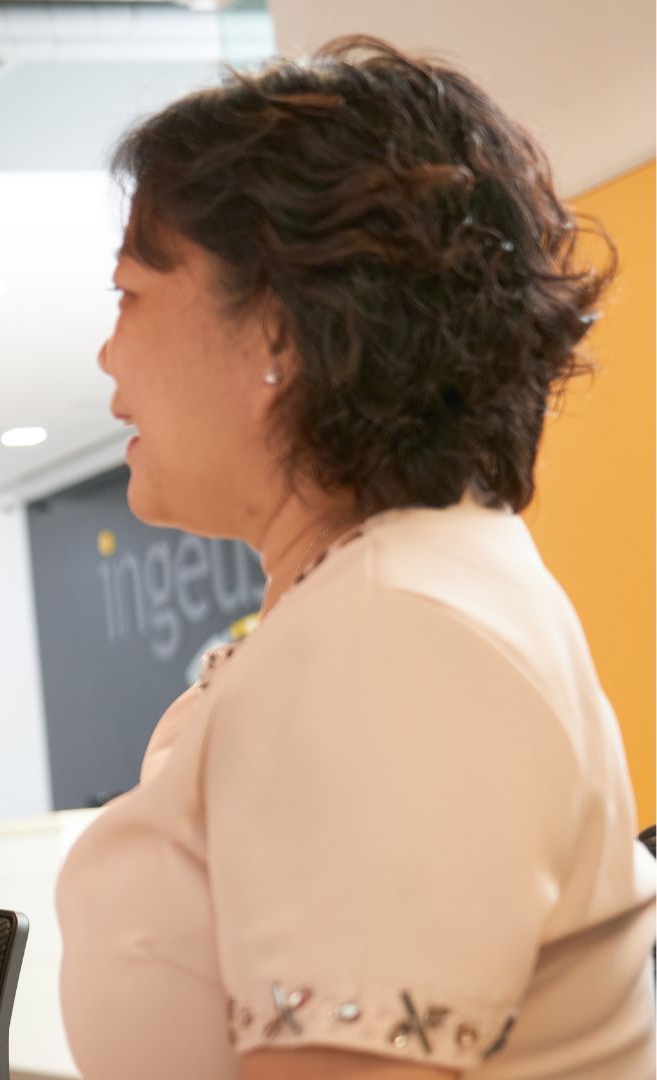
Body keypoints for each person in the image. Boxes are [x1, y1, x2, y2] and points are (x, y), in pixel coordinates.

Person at [55, 37, 656, 1079]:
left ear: (277, 330)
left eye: (131, 296)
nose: (108, 355)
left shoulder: (391, 635)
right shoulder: (391, 600)